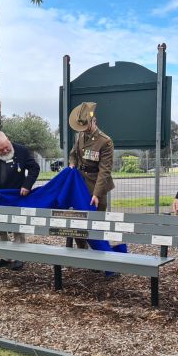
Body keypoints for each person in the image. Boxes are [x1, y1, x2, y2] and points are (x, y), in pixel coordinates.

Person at [0, 130, 40, 270]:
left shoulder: (21, 151)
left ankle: (19, 257)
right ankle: (4, 257)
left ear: (8, 140)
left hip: (16, 194)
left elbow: (35, 168)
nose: (5, 150)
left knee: (17, 226)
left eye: (7, 147)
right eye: (1, 149)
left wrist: (27, 185)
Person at [68, 101, 115, 248]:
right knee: (78, 224)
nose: (83, 130)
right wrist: (72, 163)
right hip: (80, 185)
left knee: (96, 224)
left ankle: (99, 256)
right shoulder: (80, 136)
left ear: (93, 121)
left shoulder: (105, 141)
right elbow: (73, 153)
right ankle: (83, 253)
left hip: (96, 185)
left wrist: (96, 194)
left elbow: (104, 171)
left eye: (85, 126)